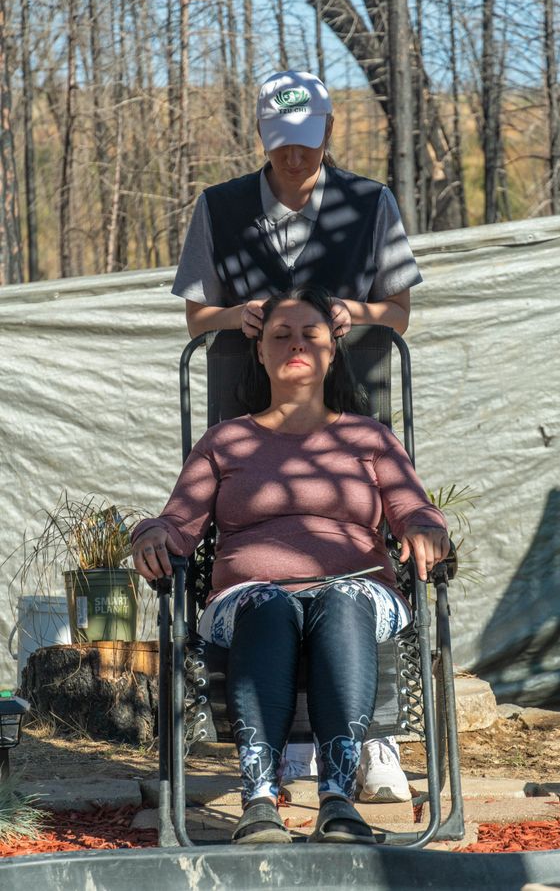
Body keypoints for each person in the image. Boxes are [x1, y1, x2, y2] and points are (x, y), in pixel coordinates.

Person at [171, 68, 425, 800]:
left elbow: (399, 312)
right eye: (282, 143)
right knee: (267, 575)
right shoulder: (220, 207)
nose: (295, 157)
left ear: (329, 132)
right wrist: (240, 315)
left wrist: (353, 312)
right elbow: (196, 316)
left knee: (352, 557)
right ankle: (285, 750)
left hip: (353, 399)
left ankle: (371, 740)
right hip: (248, 404)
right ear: (261, 135)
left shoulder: (369, 202)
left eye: (307, 143)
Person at [132, 287, 449, 844]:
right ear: (260, 352)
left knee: (342, 599)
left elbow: (413, 508)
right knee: (269, 603)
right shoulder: (225, 441)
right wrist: (151, 533)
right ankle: (259, 801)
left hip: (358, 592)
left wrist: (426, 528)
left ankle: (338, 800)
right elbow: (177, 521)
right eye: (281, 335)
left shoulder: (369, 437)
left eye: (310, 334)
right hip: (248, 598)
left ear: (331, 350)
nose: (296, 345)